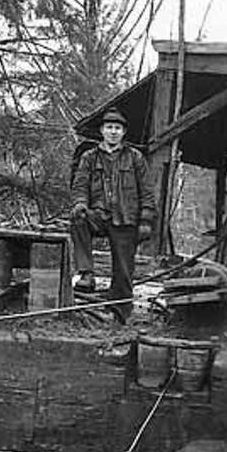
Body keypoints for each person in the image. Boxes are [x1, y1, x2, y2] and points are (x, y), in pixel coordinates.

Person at [70, 108, 157, 323]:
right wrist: (80, 203)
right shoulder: (89, 158)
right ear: (102, 131)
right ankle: (86, 273)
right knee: (78, 218)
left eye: (117, 128)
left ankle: (121, 317)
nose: (113, 132)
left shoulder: (135, 158)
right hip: (99, 215)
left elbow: (147, 190)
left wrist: (146, 220)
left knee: (124, 273)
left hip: (126, 218)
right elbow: (80, 184)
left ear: (123, 133)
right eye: (109, 127)